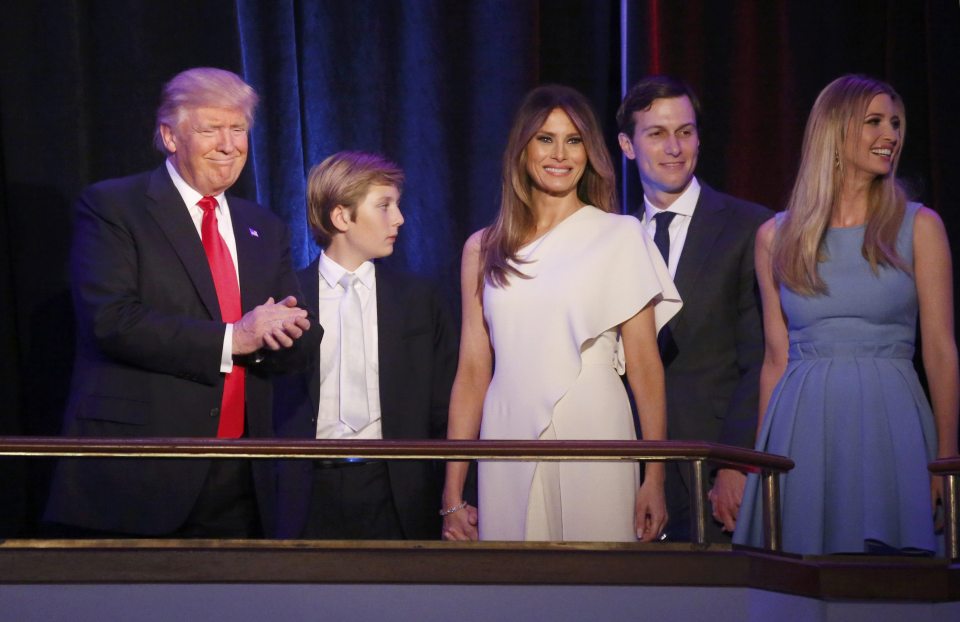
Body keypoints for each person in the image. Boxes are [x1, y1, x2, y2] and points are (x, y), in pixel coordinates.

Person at [44, 67, 319, 538]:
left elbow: (285, 337)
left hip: (243, 474)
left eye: (238, 129)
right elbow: (112, 320)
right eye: (211, 128)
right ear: (170, 136)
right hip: (144, 467)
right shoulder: (114, 206)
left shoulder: (264, 225)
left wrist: (291, 332)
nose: (229, 144)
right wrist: (237, 337)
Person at [441, 85, 681, 542]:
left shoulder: (619, 235)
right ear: (523, 148)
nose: (561, 154)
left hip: (595, 423)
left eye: (574, 140)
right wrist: (453, 491)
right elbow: (472, 371)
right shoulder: (484, 248)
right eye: (546, 139)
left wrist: (656, 475)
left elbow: (646, 366)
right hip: (507, 429)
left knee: (597, 583)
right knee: (517, 587)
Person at [734, 75, 959, 555]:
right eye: (874, 122)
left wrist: (946, 458)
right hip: (802, 424)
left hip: (891, 422)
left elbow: (940, 350)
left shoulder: (920, 226)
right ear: (835, 132)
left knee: (892, 584)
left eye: (896, 124)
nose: (891, 136)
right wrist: (761, 466)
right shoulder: (776, 236)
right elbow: (775, 359)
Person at [616, 76, 771, 541]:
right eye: (657, 134)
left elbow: (762, 357)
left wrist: (735, 463)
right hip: (627, 459)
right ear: (627, 145)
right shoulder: (611, 235)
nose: (674, 148)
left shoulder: (750, 227)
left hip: (713, 464)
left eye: (684, 132)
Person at [274, 151, 458, 540]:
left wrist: (454, 495)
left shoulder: (418, 300)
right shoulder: (285, 298)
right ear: (341, 217)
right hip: (307, 490)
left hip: (394, 487)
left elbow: (444, 404)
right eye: (384, 206)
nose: (399, 219)